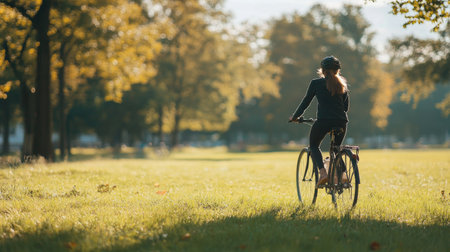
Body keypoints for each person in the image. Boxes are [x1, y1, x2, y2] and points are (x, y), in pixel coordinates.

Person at [289, 55, 349, 187]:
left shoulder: (316, 83)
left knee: (314, 146)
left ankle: (323, 173)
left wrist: (295, 116)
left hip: (323, 121)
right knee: (336, 150)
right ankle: (344, 175)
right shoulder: (342, 84)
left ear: (323, 70)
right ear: (337, 70)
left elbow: (306, 102)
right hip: (341, 122)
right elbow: (345, 107)